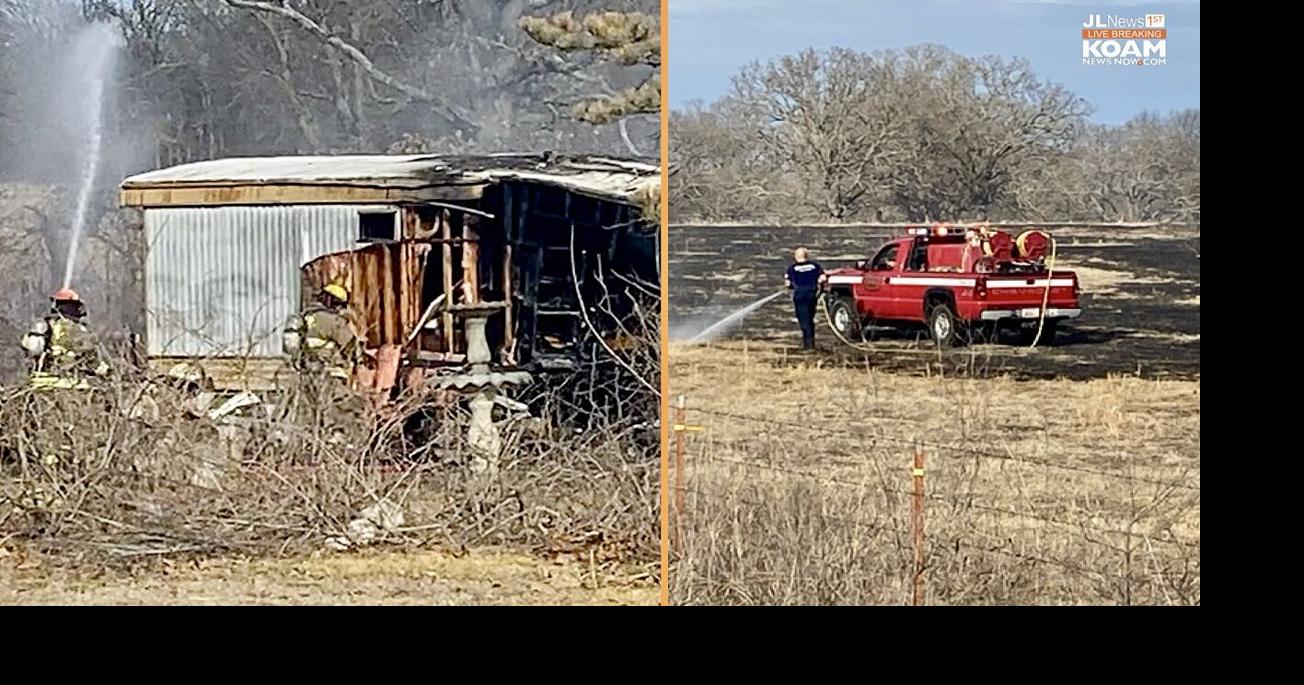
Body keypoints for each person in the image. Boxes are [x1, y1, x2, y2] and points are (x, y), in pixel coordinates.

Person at [19, 287, 109, 390]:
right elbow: (92, 361)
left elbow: (30, 349)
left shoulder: (43, 325)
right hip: (70, 386)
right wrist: (108, 372)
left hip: (40, 384)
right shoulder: (79, 330)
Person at [282, 282, 365, 382]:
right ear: (333, 302)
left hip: (307, 369)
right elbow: (349, 344)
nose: (341, 308)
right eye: (340, 304)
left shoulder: (307, 316)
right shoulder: (332, 321)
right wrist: (362, 360)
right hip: (329, 370)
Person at [784, 247, 827, 350]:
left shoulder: (791, 268)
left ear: (795, 257)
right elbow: (823, 278)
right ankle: (810, 341)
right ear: (807, 256)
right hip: (812, 295)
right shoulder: (815, 266)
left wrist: (791, 286)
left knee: (804, 320)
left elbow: (787, 283)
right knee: (810, 318)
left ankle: (808, 344)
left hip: (800, 296)